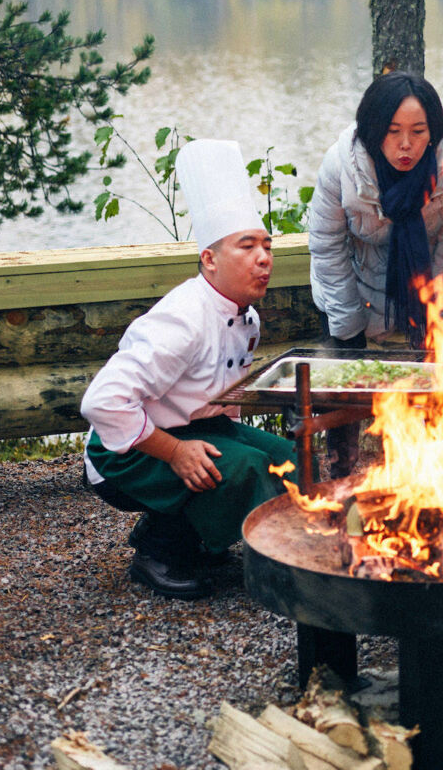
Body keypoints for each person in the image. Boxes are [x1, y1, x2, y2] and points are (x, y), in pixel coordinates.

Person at [81, 139, 296, 601]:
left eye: (267, 246)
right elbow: (101, 402)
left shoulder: (248, 317)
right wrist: (177, 454)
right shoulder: (182, 320)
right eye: (247, 246)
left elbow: (222, 400)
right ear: (210, 259)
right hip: (123, 451)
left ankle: (199, 532)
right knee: (245, 469)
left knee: (291, 464)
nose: (264, 258)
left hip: (198, 425)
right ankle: (162, 549)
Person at [309, 72, 443, 477]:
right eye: (393, 131)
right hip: (350, 284)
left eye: (418, 132)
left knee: (436, 380)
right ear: (372, 130)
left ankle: (431, 477)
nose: (405, 145)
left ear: (433, 132)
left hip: (421, 288)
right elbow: (327, 246)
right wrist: (347, 327)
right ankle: (341, 479)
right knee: (342, 385)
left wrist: (438, 329)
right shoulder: (342, 166)